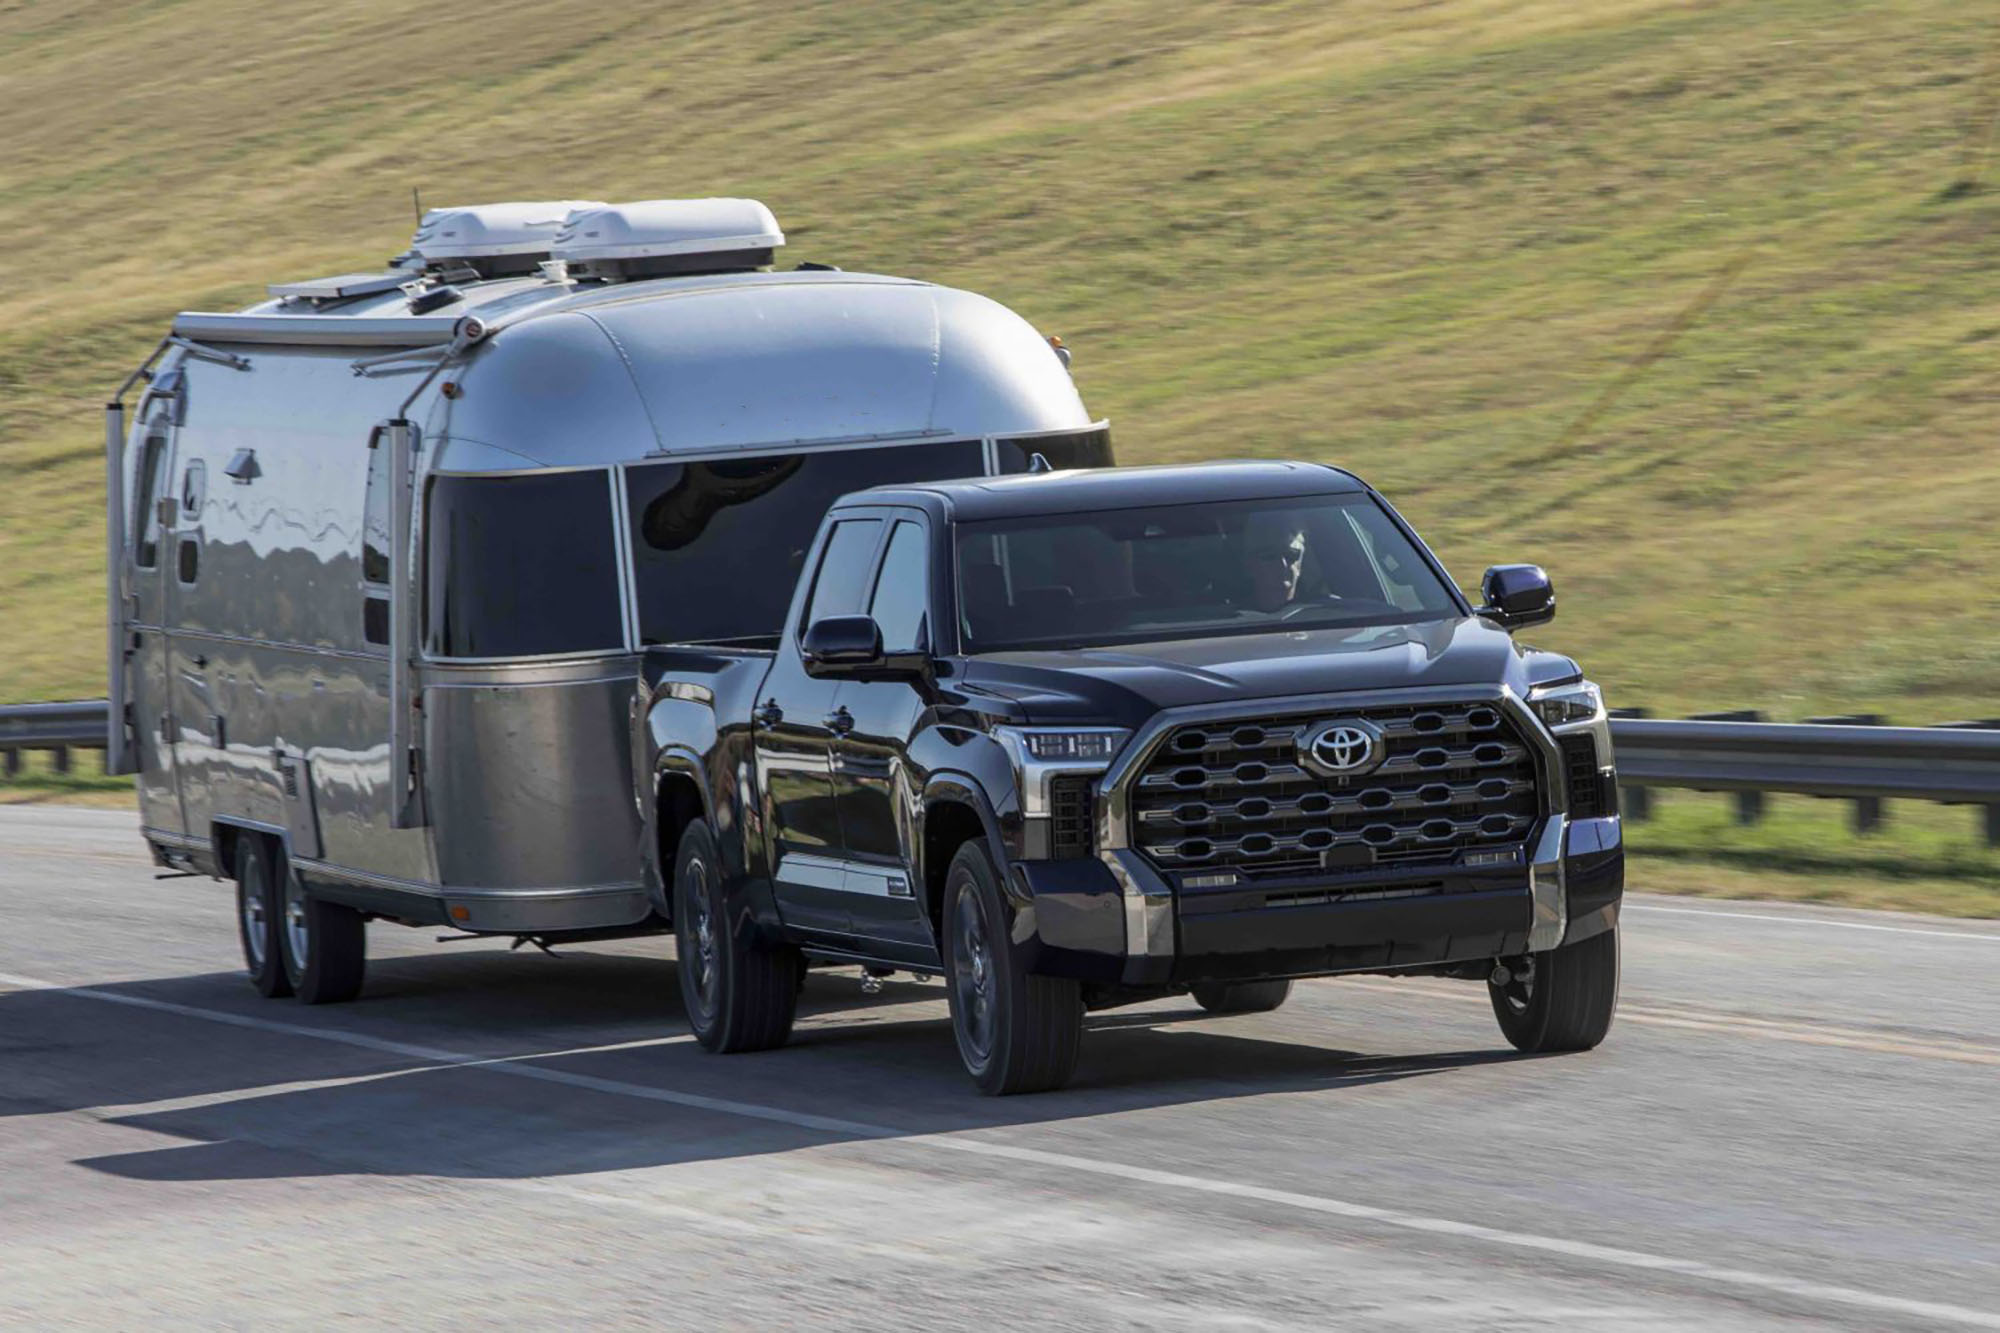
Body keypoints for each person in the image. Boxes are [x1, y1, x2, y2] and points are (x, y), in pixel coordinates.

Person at [1240, 511, 1308, 613]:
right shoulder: (1221, 623)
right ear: (1249, 565)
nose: (1283, 567)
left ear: (1300, 566)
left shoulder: (1326, 613)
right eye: (1269, 557)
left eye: (1291, 555)